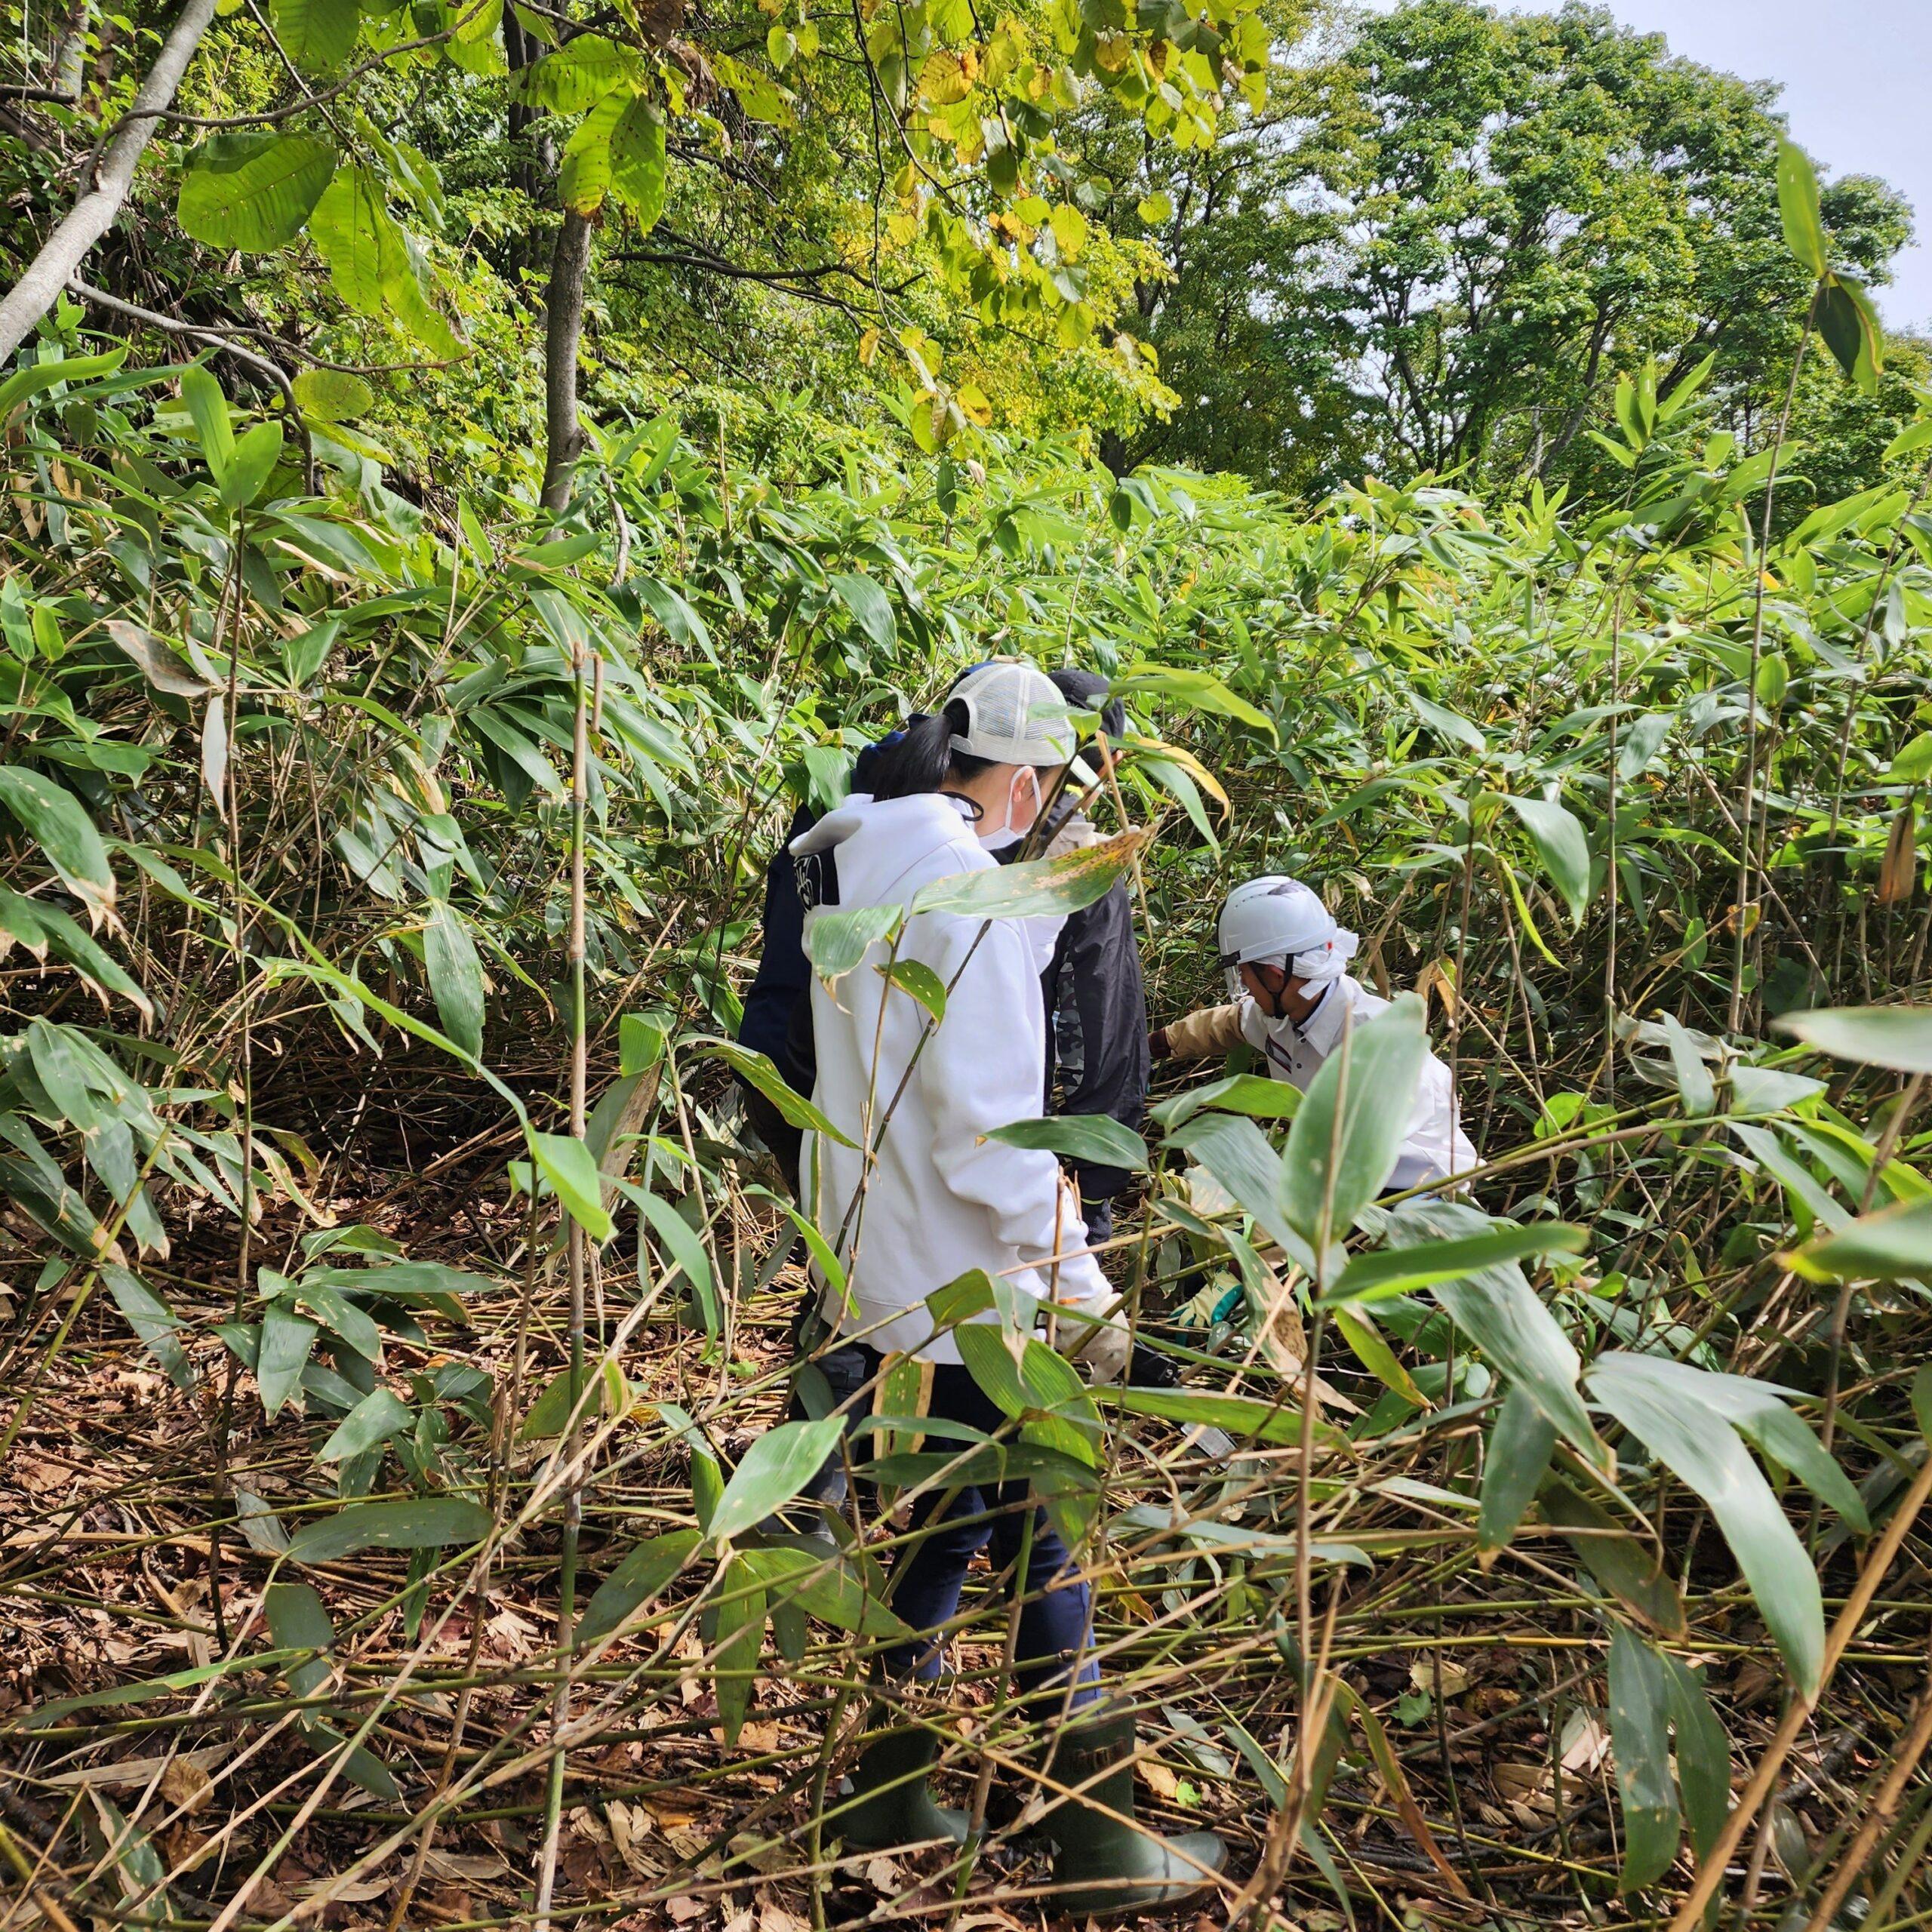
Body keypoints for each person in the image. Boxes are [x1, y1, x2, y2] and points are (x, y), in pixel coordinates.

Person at [792, 662, 1224, 1912]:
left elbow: (948, 993)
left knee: (950, 1514)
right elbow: (992, 1135)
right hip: (984, 1287)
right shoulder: (962, 900)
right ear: (1025, 784)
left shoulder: (873, 861)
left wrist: (1048, 886)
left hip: (891, 1270)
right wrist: (1084, 1295)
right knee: (1049, 1528)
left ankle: (884, 1788)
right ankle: (1092, 1839)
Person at [736, 669, 1149, 1240]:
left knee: (844, 1252)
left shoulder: (857, 802)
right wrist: (1092, 1181)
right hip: (924, 1139)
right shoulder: (990, 859)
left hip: (803, 1086)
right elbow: (1100, 1019)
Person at [1152, 875, 1476, 1192]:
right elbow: (1226, 1023)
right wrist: (1151, 1046)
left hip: (1417, 1190)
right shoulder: (1282, 1013)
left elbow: (1356, 1155)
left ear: (1275, 975)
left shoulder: (1376, 1046)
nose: (1245, 985)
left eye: (1244, 973)